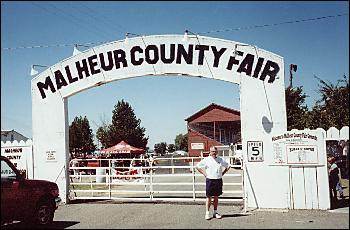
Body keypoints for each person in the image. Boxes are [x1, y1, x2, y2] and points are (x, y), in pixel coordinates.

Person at [196, 146, 231, 220]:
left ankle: (215, 212)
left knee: (216, 197)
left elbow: (228, 166)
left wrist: (222, 173)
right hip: (210, 180)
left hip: (218, 180)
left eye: (215, 151)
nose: (213, 153)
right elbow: (197, 166)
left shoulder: (220, 159)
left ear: (217, 152)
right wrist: (205, 174)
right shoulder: (206, 160)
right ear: (210, 152)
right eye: (212, 151)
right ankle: (207, 213)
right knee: (208, 197)